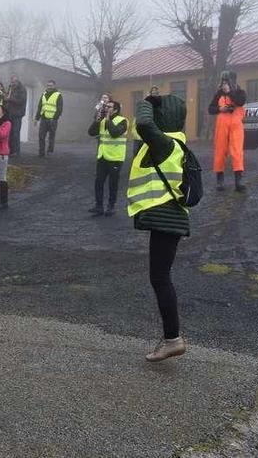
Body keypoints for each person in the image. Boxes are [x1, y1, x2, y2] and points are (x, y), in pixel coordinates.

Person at [127, 93, 191, 362]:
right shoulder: (175, 142)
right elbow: (137, 131)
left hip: (168, 220)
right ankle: (171, 339)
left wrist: (147, 102)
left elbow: (142, 124)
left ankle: (173, 340)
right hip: (169, 219)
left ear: (163, 116)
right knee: (160, 277)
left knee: (160, 278)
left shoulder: (165, 143)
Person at [87, 100, 128, 216]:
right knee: (98, 182)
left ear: (115, 109)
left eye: (109, 107)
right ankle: (99, 206)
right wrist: (97, 120)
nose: (107, 108)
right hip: (102, 156)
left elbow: (115, 133)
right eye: (106, 107)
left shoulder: (123, 121)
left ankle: (111, 206)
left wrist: (108, 119)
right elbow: (91, 132)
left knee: (113, 183)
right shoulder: (103, 120)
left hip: (115, 158)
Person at [208, 71, 247, 192]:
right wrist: (220, 108)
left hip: (236, 125)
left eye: (227, 81)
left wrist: (229, 92)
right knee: (220, 151)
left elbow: (240, 102)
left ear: (232, 81)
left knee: (237, 151)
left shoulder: (240, 92)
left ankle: (238, 181)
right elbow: (211, 109)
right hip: (222, 125)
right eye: (223, 81)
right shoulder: (218, 93)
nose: (224, 84)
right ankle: (220, 181)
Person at [34, 79, 63, 157]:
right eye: (48, 85)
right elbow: (40, 107)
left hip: (53, 120)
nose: (49, 87)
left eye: (51, 85)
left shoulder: (58, 95)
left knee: (51, 137)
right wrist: (36, 118)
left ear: (54, 86)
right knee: (41, 136)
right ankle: (41, 153)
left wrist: (54, 118)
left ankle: (50, 151)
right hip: (43, 119)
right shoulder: (43, 94)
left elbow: (59, 109)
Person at [5, 75, 27, 157]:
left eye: (14, 81)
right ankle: (10, 150)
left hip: (17, 114)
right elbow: (7, 98)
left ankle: (16, 152)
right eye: (12, 81)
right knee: (9, 132)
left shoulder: (22, 89)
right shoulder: (10, 88)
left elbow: (21, 101)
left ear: (17, 81)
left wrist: (10, 99)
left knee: (16, 132)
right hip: (9, 113)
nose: (13, 83)